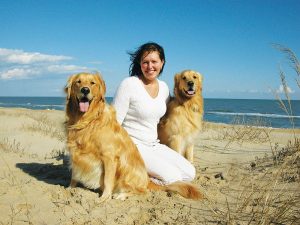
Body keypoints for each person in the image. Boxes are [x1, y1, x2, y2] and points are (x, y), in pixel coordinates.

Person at [112, 42, 196, 185]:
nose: (150, 66)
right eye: (145, 62)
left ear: (162, 63)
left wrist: (191, 100)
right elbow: (112, 123)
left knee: (190, 173)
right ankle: (134, 177)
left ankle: (140, 173)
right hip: (132, 146)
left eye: (154, 61)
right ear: (140, 64)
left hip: (154, 145)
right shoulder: (129, 84)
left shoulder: (163, 87)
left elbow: (171, 111)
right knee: (172, 177)